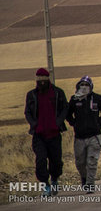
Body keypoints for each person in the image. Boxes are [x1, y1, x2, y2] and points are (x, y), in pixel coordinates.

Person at [24, 68, 68, 197]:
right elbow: (27, 112)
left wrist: (58, 122)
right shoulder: (32, 95)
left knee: (56, 161)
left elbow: (65, 108)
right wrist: (34, 124)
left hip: (54, 134)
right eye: (39, 80)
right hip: (39, 135)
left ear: (48, 79)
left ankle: (54, 180)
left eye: (44, 80)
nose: (41, 83)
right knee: (41, 161)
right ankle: (45, 185)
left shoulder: (58, 93)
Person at [66, 76, 101, 194]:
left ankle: (90, 184)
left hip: (94, 135)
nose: (84, 87)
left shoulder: (97, 98)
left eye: (86, 85)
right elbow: (68, 113)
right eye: (82, 85)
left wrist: (99, 123)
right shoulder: (74, 99)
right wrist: (73, 123)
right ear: (78, 86)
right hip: (79, 136)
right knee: (80, 162)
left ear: (91, 87)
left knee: (92, 161)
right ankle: (84, 177)